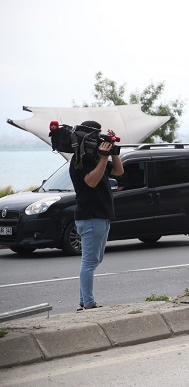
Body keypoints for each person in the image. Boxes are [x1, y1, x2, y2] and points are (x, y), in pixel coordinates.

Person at [69, 120, 123, 310]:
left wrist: (113, 151)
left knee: (94, 260)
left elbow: (118, 171)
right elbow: (91, 182)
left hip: (100, 216)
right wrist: (102, 159)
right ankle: (89, 303)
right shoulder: (79, 162)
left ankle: (84, 300)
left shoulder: (94, 159)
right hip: (90, 216)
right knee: (90, 262)